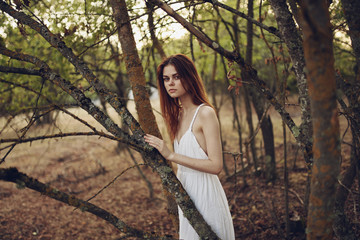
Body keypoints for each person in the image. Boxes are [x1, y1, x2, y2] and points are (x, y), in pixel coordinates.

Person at [144, 54, 235, 240]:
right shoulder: (176, 115)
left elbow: (216, 166)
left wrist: (171, 155)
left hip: (206, 195)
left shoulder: (205, 113)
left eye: (177, 77)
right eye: (166, 79)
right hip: (186, 195)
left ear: (189, 77)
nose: (171, 83)